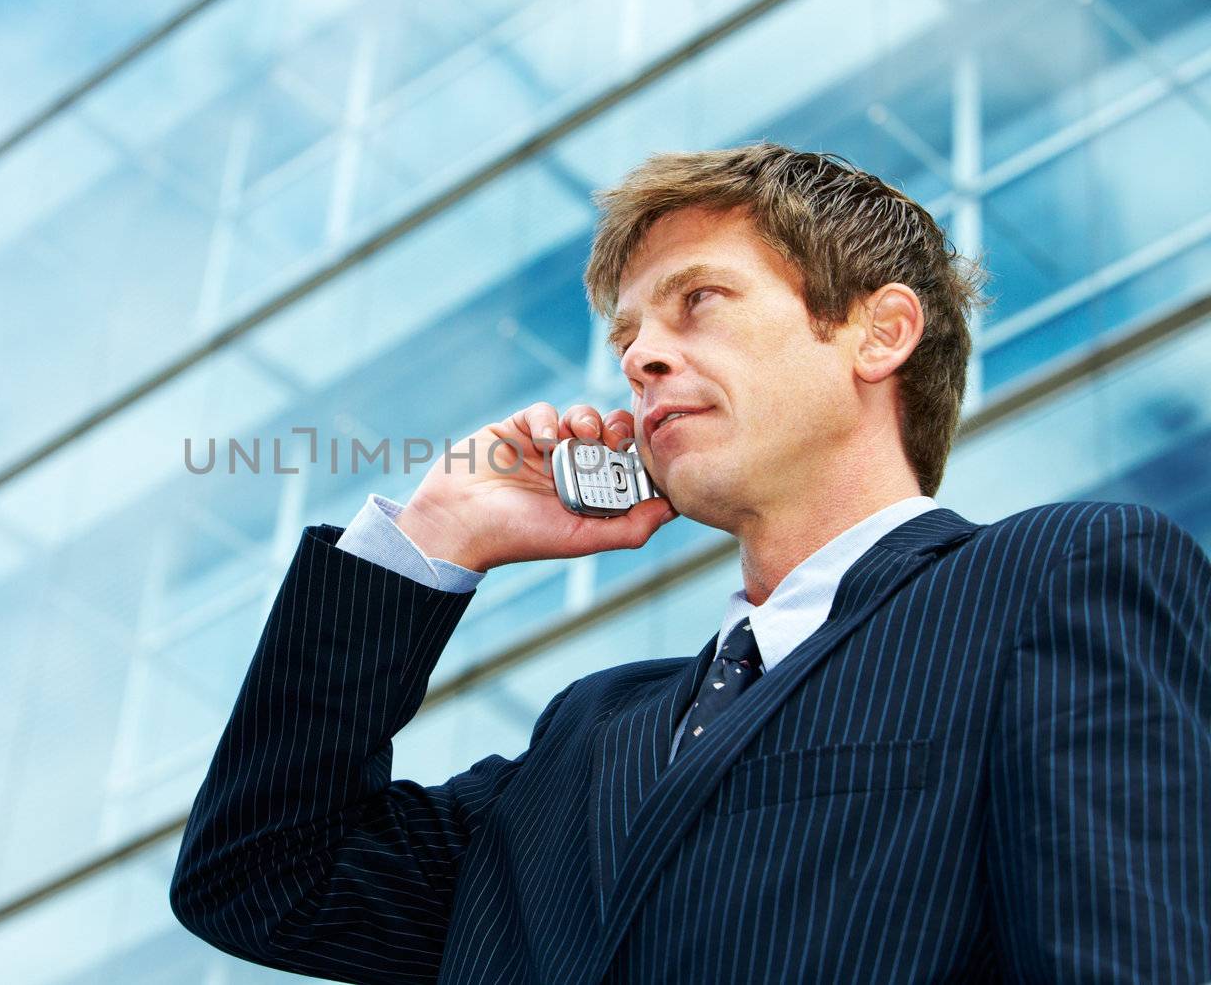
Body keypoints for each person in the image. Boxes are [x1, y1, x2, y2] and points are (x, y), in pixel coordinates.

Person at [169, 143, 1211, 983]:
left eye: (698, 300)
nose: (638, 357)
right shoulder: (584, 734)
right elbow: (259, 879)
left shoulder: (1055, 576)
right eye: (627, 334)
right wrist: (431, 541)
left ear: (877, 330)